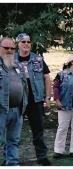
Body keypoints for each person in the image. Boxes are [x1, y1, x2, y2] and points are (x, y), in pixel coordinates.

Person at [14, 33, 52, 166]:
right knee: (13, 130)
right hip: (17, 102)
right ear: (17, 44)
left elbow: (47, 77)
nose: (26, 44)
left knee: (38, 129)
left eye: (28, 42)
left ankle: (42, 156)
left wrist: (47, 97)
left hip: (35, 101)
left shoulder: (38, 59)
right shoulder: (11, 59)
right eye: (23, 42)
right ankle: (11, 158)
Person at [0, 37, 28, 166]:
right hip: (1, 111)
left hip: (17, 110)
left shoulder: (17, 66)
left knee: (13, 141)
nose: (10, 51)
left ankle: (12, 164)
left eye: (12, 48)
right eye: (6, 48)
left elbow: (25, 87)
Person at [52, 55, 73, 159]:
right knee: (62, 127)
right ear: (72, 62)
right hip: (64, 104)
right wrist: (57, 100)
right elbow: (56, 87)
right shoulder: (61, 75)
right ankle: (58, 150)